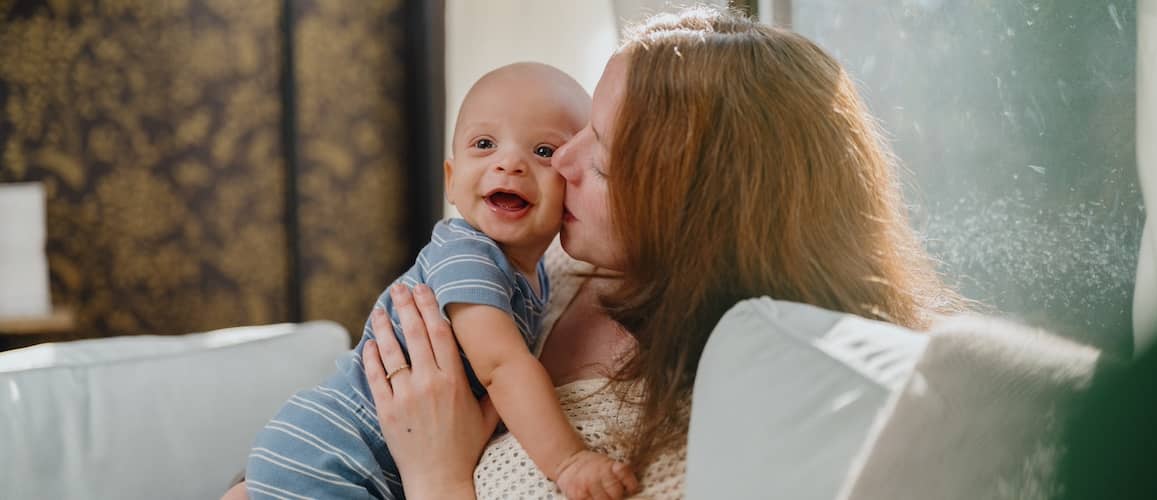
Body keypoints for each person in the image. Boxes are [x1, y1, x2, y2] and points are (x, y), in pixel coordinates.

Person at [226, 5, 962, 499]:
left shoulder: (711, 412)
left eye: (599, 156)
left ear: (695, 213)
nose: (560, 165)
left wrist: (439, 475)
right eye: (571, 138)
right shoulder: (558, 267)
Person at [244, 62, 638, 499]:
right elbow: (502, 367)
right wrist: (570, 461)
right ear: (452, 181)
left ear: (572, 177)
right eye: (484, 144)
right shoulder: (467, 254)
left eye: (543, 151)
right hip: (336, 455)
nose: (509, 164)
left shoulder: (544, 271)